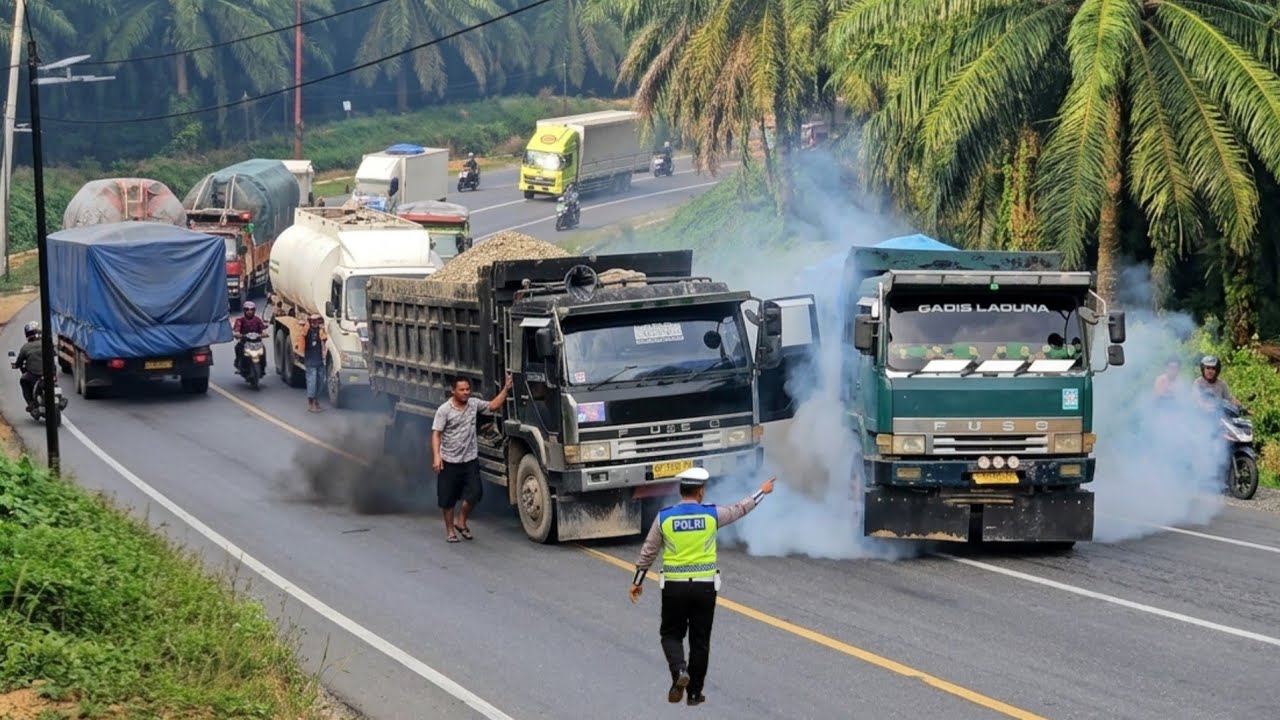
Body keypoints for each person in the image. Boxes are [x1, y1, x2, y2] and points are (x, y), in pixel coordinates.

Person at [628, 468, 776, 706]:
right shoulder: (711, 515)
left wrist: (637, 582)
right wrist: (762, 491)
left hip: (674, 588)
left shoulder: (664, 518)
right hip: (705, 589)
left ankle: (679, 671)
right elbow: (740, 508)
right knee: (700, 641)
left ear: (681, 491)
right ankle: (694, 694)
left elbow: (648, 552)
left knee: (671, 635)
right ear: (700, 492)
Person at [432, 374, 513, 543]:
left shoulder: (474, 404)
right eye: (461, 390)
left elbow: (493, 406)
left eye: (468, 389)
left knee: (475, 493)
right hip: (449, 461)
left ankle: (461, 520)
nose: (465, 392)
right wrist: (437, 457)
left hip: (469, 460)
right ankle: (450, 531)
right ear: (453, 391)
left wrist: (506, 388)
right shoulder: (444, 410)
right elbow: (436, 434)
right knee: (447, 499)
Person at [294, 313, 327, 412]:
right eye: (314, 320)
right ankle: (311, 403)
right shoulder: (306, 330)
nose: (316, 322)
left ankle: (316, 401)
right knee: (312, 382)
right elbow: (300, 338)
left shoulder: (321, 330)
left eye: (318, 320)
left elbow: (325, 339)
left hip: (320, 360)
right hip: (310, 360)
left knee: (320, 382)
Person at [14, 321, 44, 412]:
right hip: (49, 374)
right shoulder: (46, 343)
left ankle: (31, 404)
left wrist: (16, 365)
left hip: (34, 375)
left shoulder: (25, 347)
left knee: (23, 380)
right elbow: (54, 354)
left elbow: (19, 362)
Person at [232, 301, 268, 375]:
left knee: (263, 350)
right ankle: (239, 364)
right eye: (247, 309)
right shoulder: (240, 320)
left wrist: (264, 334)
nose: (249, 311)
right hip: (244, 342)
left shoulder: (257, 320)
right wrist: (238, 334)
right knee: (238, 348)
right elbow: (237, 329)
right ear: (244, 310)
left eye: (252, 309)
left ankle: (263, 367)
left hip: (257, 342)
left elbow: (263, 329)